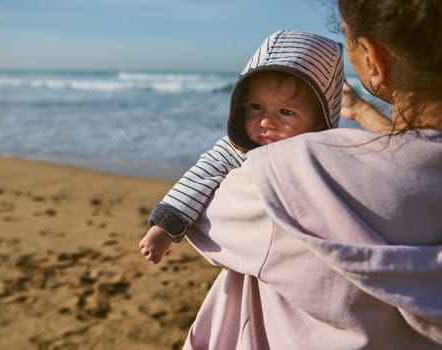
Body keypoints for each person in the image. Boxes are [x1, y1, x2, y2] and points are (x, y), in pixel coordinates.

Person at [181, 0, 442, 349]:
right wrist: (363, 114)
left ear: (372, 58)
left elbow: (205, 218)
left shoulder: (288, 175)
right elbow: (413, 155)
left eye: (348, 38)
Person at [139, 29, 345, 263]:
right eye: (256, 107)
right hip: (249, 264)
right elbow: (199, 178)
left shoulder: (329, 159)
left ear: (320, 119)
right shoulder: (236, 150)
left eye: (286, 112)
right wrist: (165, 228)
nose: (266, 122)